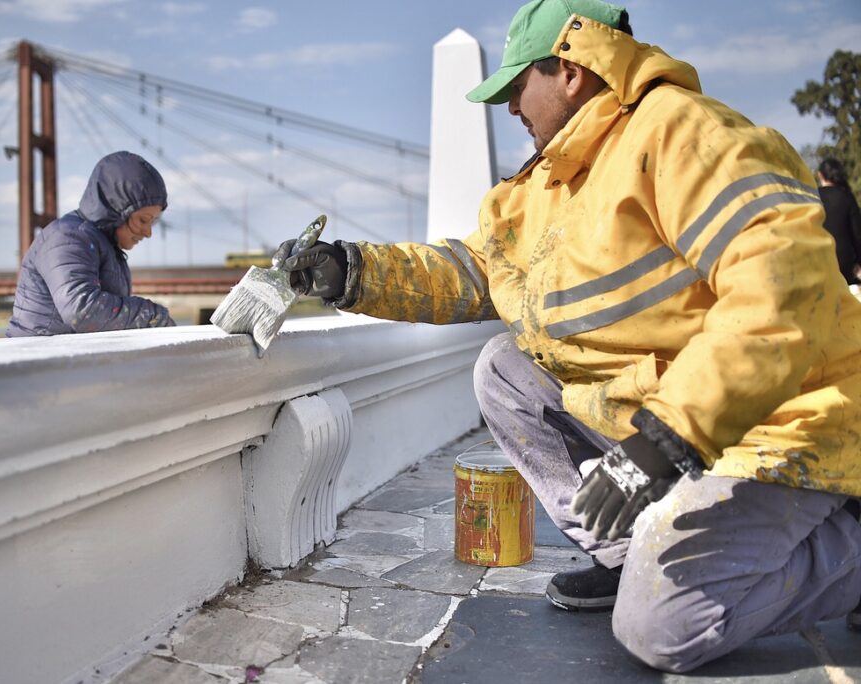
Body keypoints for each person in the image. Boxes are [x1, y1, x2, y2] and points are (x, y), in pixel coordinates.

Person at [273, 0, 861, 673]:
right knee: (502, 368)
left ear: (572, 70)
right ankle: (627, 552)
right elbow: (471, 272)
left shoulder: (682, 135)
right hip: (679, 420)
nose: (511, 107)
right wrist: (352, 270)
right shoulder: (547, 184)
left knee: (660, 628)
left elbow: (781, 284)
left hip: (779, 428)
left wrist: (668, 438)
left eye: (519, 86)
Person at [7, 151, 175, 337]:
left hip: (64, 359)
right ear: (117, 209)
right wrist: (153, 315)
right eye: (143, 220)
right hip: (37, 360)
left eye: (153, 222)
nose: (148, 232)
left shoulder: (103, 245)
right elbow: (81, 311)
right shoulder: (68, 238)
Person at [817, 157, 861, 286]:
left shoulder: (812, 197)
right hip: (845, 265)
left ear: (820, 175)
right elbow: (858, 235)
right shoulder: (847, 197)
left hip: (820, 262)